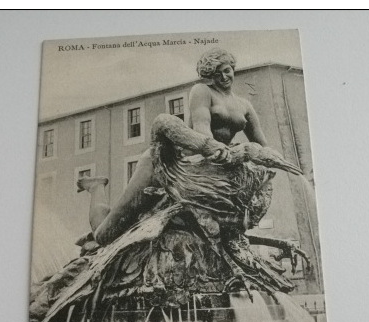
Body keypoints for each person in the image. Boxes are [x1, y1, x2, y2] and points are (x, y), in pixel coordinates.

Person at [78, 48, 274, 246]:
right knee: (105, 236)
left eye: (226, 70)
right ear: (209, 76)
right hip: (165, 163)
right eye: (216, 74)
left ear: (233, 68)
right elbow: (202, 129)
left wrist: (270, 160)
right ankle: (96, 187)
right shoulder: (202, 91)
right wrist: (219, 150)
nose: (223, 77)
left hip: (201, 170)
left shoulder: (245, 105)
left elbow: (262, 145)